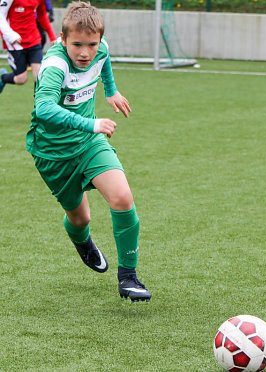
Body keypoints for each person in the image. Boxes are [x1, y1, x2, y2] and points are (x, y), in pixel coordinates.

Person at [26, 1, 151, 302]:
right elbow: (43, 108)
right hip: (53, 153)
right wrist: (90, 123)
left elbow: (104, 60)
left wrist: (111, 90)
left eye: (91, 44)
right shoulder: (55, 66)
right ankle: (82, 241)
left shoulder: (101, 48)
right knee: (80, 218)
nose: (85, 52)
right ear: (62, 39)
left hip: (89, 143)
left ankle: (128, 277)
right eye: (77, 45)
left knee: (122, 197)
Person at [0, 0, 56, 93]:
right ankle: (3, 77)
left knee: (39, 76)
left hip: (34, 39)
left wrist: (52, 36)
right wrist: (10, 35)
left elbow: (42, 15)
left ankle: (38, 106)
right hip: (16, 43)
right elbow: (1, 15)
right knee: (21, 79)